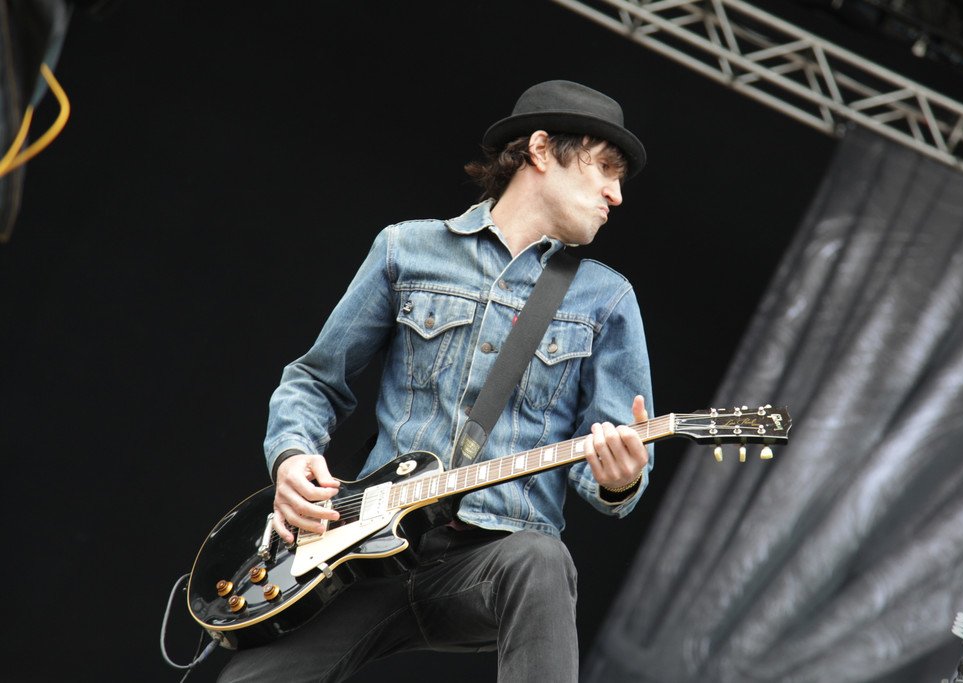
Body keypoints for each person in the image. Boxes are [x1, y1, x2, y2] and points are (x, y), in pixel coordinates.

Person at [217, 79, 655, 683]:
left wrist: (619, 478)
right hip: (360, 554)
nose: (616, 194)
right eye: (604, 168)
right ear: (540, 149)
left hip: (490, 565)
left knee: (540, 559)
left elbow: (605, 469)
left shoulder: (606, 298)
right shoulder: (407, 249)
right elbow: (314, 381)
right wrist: (291, 457)